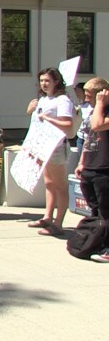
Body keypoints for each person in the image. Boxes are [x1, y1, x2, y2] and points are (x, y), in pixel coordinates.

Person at [24, 67, 74, 236]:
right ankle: (47, 216)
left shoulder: (62, 100)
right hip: (42, 147)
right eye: (42, 80)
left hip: (56, 148)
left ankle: (58, 223)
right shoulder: (44, 100)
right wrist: (30, 110)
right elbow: (37, 123)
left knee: (60, 186)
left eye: (47, 81)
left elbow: (68, 125)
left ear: (56, 82)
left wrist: (49, 119)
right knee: (49, 184)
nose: (44, 84)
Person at [74, 78, 109, 262]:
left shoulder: (102, 111)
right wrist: (82, 162)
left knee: (106, 211)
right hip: (90, 167)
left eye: (89, 96)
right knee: (95, 212)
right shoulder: (94, 111)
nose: (86, 99)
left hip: (105, 169)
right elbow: (89, 138)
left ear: (101, 94)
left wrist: (101, 104)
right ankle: (96, 242)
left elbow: (98, 125)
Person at [73, 82, 92, 152]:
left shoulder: (90, 105)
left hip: (89, 137)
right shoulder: (80, 105)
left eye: (78, 91)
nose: (76, 93)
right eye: (75, 91)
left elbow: (88, 119)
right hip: (80, 136)